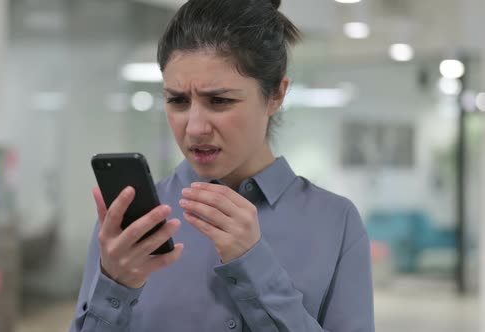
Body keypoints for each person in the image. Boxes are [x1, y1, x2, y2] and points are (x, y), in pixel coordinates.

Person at [70, 0, 375, 330]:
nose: (195, 127)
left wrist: (254, 265)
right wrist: (115, 286)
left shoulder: (336, 222)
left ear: (276, 94)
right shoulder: (133, 224)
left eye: (220, 101)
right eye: (178, 100)